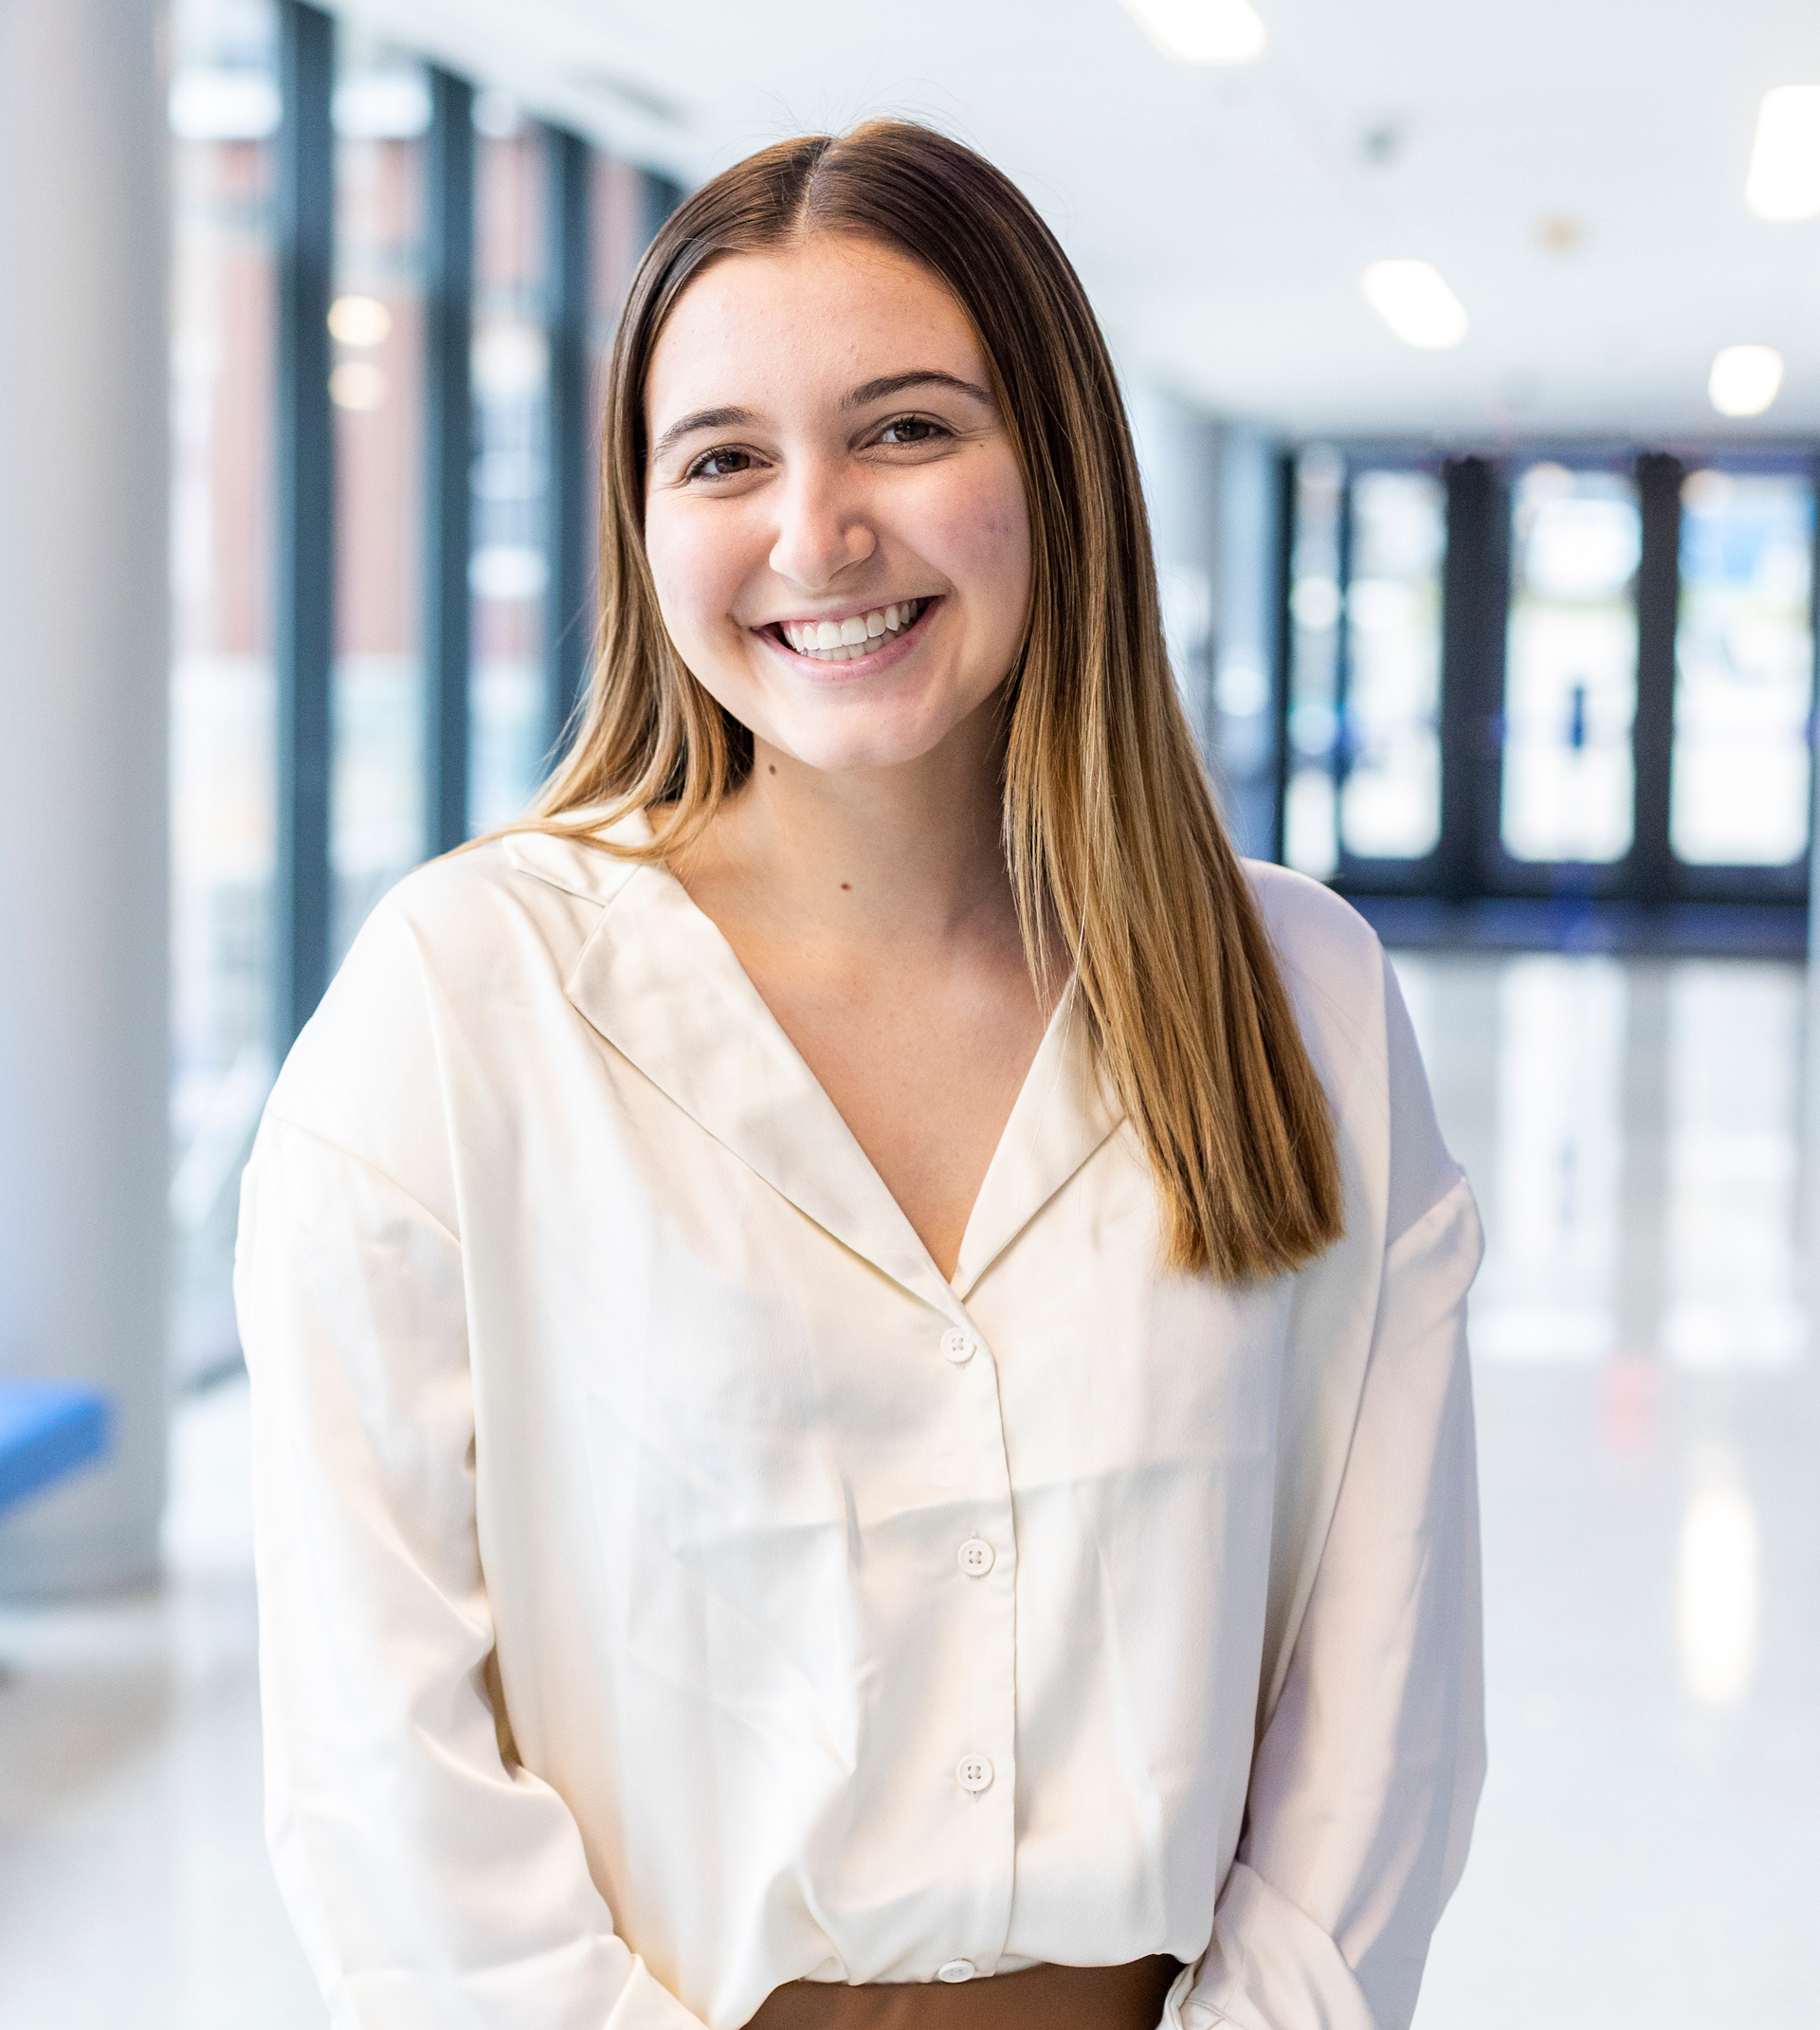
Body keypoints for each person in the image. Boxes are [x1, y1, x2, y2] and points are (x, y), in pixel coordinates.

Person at [236, 120, 1483, 2030]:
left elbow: (1379, 1707)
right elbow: (376, 1755)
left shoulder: (1297, 998)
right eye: (723, 458)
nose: (815, 534)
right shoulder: (462, 1007)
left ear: (1053, 468)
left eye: (906, 429)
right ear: (642, 523)